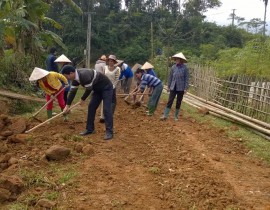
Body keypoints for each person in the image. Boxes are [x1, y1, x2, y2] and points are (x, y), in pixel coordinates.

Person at [61, 65, 114, 140]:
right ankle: (90, 129)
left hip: (106, 88)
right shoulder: (75, 79)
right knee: (91, 106)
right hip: (97, 90)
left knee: (106, 109)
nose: (67, 78)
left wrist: (82, 99)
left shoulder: (84, 75)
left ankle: (109, 132)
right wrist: (67, 106)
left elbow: (89, 89)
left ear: (71, 73)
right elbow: (72, 92)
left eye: (66, 76)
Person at [160, 52, 189, 121]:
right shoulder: (173, 67)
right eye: (176, 59)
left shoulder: (185, 68)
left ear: (181, 60)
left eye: (178, 59)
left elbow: (186, 79)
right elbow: (170, 77)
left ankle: (176, 116)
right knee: (170, 100)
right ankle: (165, 115)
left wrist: (185, 88)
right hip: (173, 86)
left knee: (178, 101)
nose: (176, 60)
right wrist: (168, 86)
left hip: (181, 87)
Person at [99, 55, 120, 122]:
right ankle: (102, 116)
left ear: (114, 62)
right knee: (103, 101)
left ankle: (109, 115)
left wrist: (113, 86)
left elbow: (117, 79)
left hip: (112, 87)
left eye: (112, 61)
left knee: (112, 102)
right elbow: (102, 76)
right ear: (107, 61)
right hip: (105, 86)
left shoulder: (117, 69)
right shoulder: (105, 68)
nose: (110, 62)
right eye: (109, 61)